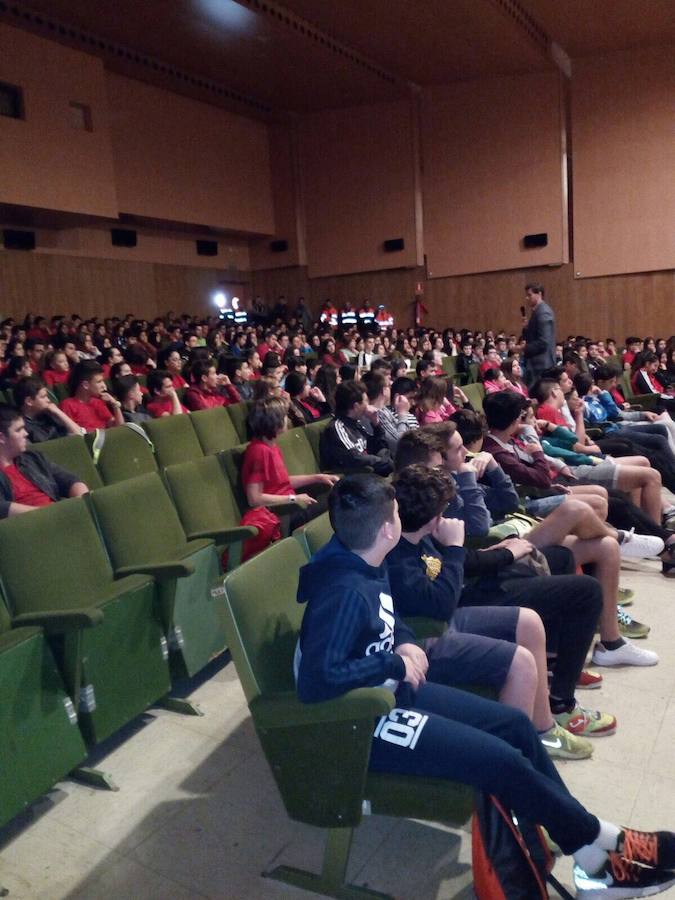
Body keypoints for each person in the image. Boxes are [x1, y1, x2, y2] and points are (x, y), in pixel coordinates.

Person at [295, 474, 675, 898]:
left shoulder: (366, 557)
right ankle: (600, 847)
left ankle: (586, 846)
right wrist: (393, 662)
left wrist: (402, 640)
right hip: (360, 720)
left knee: (514, 726)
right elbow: (316, 681)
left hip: (387, 689)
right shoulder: (343, 591)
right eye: (397, 513)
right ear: (387, 529)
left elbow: (388, 614)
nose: (402, 518)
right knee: (499, 760)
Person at [387, 464, 613, 758]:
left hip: (456, 601)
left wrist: (497, 553)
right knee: (582, 593)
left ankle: (544, 725)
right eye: (442, 511)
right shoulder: (399, 556)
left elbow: (458, 565)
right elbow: (441, 603)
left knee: (532, 619)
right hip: (434, 625)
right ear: (432, 518)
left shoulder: (420, 537)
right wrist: (455, 548)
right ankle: (527, 741)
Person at [0, 404, 89, 517]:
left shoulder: (32, 458)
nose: (26, 433)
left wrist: (84, 501)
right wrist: (51, 514)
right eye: (18, 430)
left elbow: (69, 480)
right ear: (1, 438)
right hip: (31, 524)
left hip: (59, 515)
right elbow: (2, 508)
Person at [320, 381, 393, 475]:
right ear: (356, 406)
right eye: (366, 401)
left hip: (369, 473)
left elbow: (379, 447)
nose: (368, 405)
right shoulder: (337, 427)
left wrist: (376, 423)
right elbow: (354, 457)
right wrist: (384, 462)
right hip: (352, 476)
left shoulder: (356, 424)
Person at [14, 377, 84, 442]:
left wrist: (58, 412)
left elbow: (80, 434)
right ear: (29, 401)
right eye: (43, 397)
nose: (48, 400)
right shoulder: (20, 426)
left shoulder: (49, 414)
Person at [60, 360, 124, 431]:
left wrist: (115, 405)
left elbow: (119, 428)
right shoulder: (67, 405)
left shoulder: (98, 402)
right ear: (85, 385)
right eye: (99, 382)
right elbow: (73, 432)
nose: (104, 386)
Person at [520, 282, 556, 386]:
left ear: (539, 294)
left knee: (538, 393)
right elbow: (533, 336)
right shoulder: (538, 311)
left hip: (541, 364)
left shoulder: (543, 312)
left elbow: (543, 342)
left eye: (529, 295)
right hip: (538, 363)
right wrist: (527, 328)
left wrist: (523, 348)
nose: (527, 298)